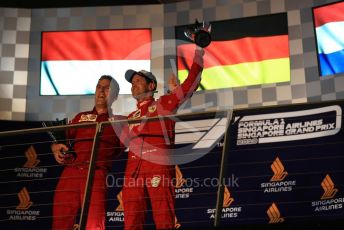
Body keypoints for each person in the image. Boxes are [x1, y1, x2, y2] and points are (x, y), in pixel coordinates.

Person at [122, 47, 204, 230]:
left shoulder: (164, 103)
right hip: (132, 172)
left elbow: (191, 82)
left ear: (151, 86)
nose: (133, 85)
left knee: (164, 220)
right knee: (131, 223)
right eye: (132, 82)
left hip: (158, 167)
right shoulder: (129, 116)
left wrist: (199, 51)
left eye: (138, 81)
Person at [51, 75, 125, 230]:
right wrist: (55, 146)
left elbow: (127, 146)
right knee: (60, 221)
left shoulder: (120, 122)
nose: (101, 91)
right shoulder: (81, 117)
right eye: (99, 87)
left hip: (96, 174)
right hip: (70, 172)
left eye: (107, 88)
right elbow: (60, 140)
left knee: (94, 223)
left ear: (115, 95)